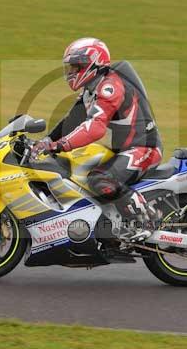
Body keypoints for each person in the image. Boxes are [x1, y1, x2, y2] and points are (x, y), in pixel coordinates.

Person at [32, 38, 163, 241]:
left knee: (100, 179)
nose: (72, 71)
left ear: (93, 63)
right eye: (71, 66)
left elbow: (94, 128)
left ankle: (146, 221)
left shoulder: (111, 87)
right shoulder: (91, 89)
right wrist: (45, 141)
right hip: (126, 149)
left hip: (143, 148)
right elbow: (72, 121)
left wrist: (60, 145)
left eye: (77, 66)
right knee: (79, 171)